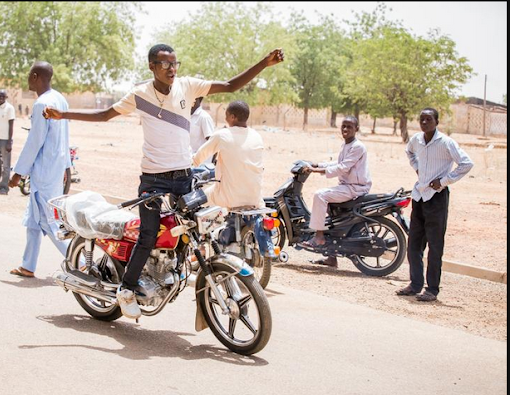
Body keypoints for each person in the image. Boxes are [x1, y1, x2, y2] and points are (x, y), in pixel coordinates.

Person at [44, 43, 284, 319]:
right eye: (165, 64)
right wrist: (63, 115)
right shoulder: (140, 94)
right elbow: (104, 115)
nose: (172, 69)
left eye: (174, 64)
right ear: (152, 67)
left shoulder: (188, 86)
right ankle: (126, 288)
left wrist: (263, 64)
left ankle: (169, 274)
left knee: (194, 231)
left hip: (183, 176)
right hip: (153, 180)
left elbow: (230, 85)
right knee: (149, 234)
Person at [396, 108, 473, 301]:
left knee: (435, 245)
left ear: (436, 122)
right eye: (422, 119)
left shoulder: (446, 143)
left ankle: (432, 289)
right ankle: (415, 284)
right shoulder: (416, 140)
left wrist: (445, 180)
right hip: (419, 196)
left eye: (428, 119)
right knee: (414, 243)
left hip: (437, 198)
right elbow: (409, 152)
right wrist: (417, 169)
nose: (424, 123)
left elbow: (466, 163)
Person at [8, 62, 70, 278]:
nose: (27, 79)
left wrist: (18, 172)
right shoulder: (59, 99)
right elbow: (66, 138)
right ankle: (28, 265)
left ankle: (80, 262)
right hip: (54, 168)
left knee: (48, 220)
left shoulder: (41, 104)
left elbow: (34, 142)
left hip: (44, 171)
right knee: (34, 220)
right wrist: (67, 167)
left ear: (35, 76)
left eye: (28, 76)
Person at [192, 100, 274, 257]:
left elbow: (199, 157)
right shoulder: (256, 136)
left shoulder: (222, 135)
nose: (225, 118)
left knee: (196, 203)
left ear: (233, 117)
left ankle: (201, 245)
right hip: (254, 197)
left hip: (228, 196)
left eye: (227, 115)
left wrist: (188, 164)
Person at [299, 116, 371, 268]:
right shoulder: (346, 145)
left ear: (356, 129)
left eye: (349, 127)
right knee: (331, 212)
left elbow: (342, 167)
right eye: (343, 126)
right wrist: (316, 164)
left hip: (354, 187)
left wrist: (316, 170)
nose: (345, 129)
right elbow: (337, 163)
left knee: (320, 195)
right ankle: (331, 257)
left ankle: (318, 237)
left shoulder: (357, 146)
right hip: (347, 185)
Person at [0, 89, 15, 195]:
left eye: (3, 96)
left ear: (6, 97)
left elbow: (11, 125)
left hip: (5, 140)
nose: (1, 98)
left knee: (6, 165)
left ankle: (4, 187)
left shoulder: (9, 108)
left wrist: (9, 141)